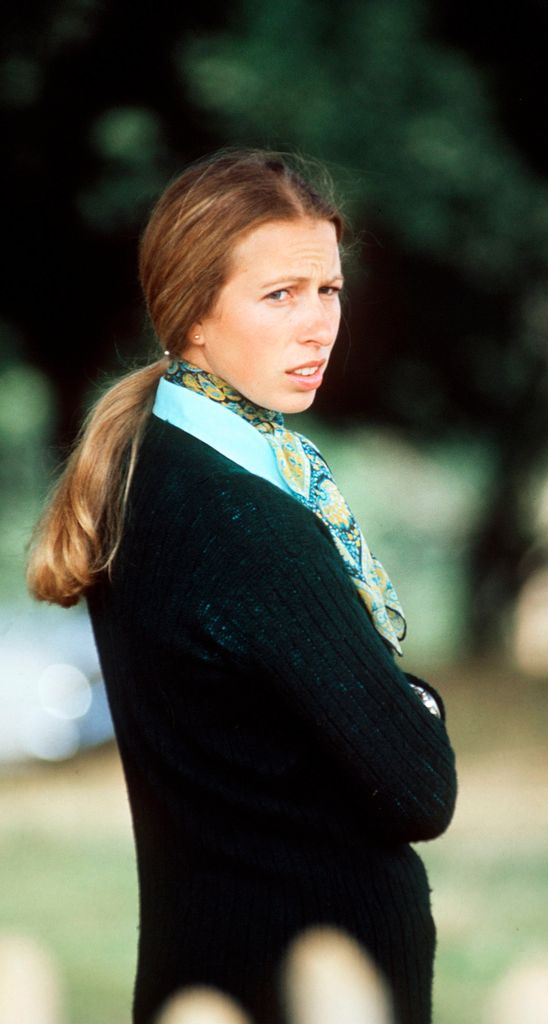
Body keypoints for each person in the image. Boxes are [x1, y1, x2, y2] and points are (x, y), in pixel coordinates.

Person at [27, 149, 457, 1024]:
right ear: (191, 312)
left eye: (328, 289)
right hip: (300, 983)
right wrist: (418, 706)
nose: (318, 325)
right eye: (279, 295)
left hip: (212, 966)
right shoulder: (244, 521)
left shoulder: (150, 465)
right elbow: (420, 790)